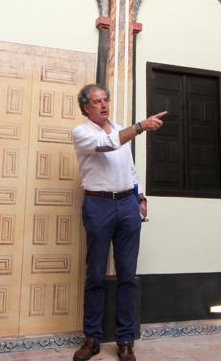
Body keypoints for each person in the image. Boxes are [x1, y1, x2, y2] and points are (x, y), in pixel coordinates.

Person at [70, 84, 166, 361]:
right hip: (98, 205)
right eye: (97, 101)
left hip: (127, 205)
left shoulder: (121, 129)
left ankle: (125, 341)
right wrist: (140, 126)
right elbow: (109, 143)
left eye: (106, 99)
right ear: (86, 107)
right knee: (96, 274)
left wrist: (140, 196)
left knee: (127, 275)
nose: (103, 105)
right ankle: (92, 339)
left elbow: (129, 168)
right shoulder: (81, 133)